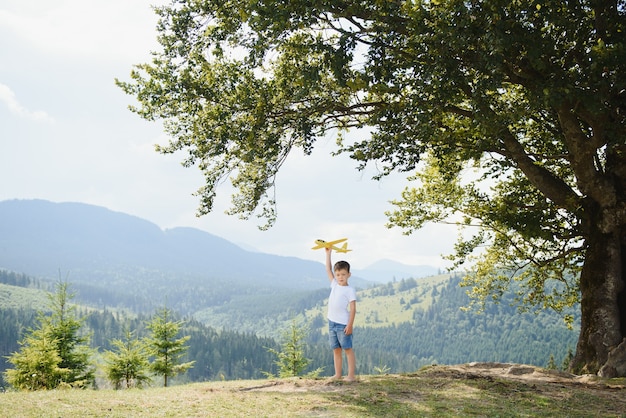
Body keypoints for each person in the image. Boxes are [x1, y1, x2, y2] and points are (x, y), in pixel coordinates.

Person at [325, 247, 357, 381]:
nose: (340, 277)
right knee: (336, 350)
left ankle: (351, 376)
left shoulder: (350, 290)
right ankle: (338, 374)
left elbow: (353, 309)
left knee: (347, 349)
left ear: (349, 274)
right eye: (338, 275)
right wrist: (328, 253)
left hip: (343, 324)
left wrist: (350, 325)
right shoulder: (334, 284)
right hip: (331, 322)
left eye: (343, 274)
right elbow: (328, 269)